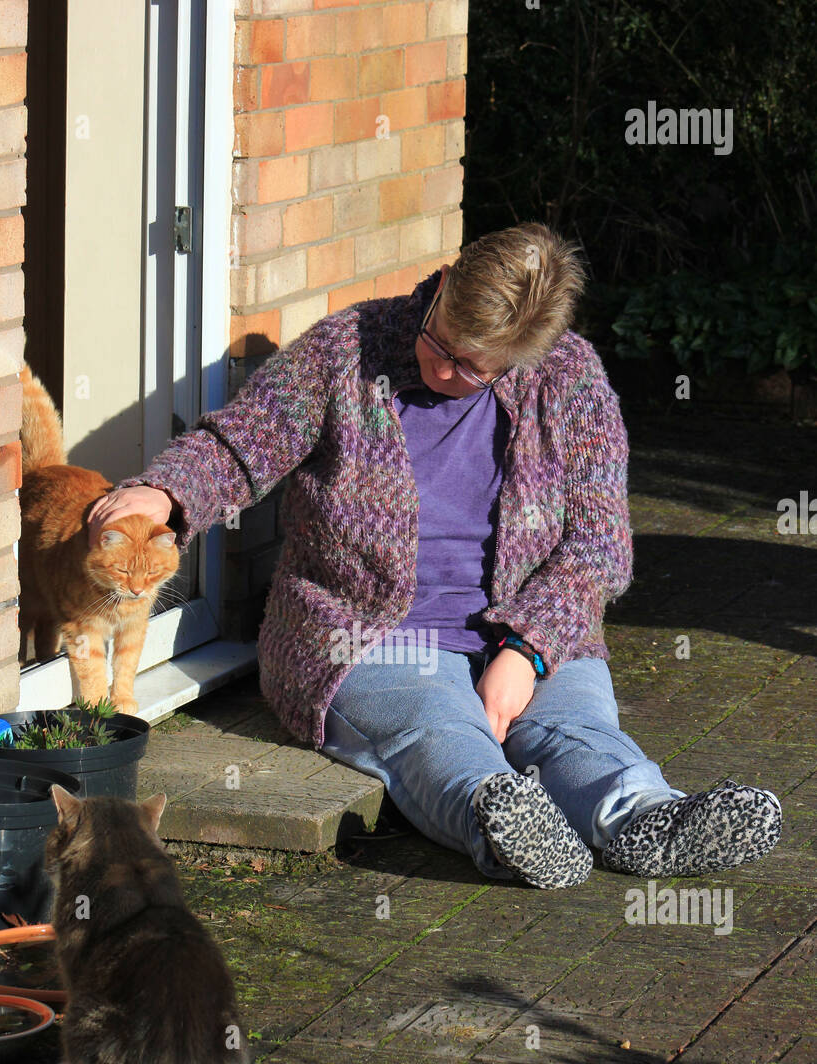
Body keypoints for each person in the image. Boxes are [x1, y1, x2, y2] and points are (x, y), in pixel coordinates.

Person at [88, 222, 782, 889]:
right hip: (364, 633)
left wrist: (528, 649)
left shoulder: (570, 377)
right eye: (441, 345)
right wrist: (162, 495)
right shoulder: (344, 350)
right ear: (445, 283)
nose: (445, 370)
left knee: (575, 731)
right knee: (434, 727)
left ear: (523, 358)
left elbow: (600, 546)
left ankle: (647, 820)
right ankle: (499, 822)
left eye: (473, 369)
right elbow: (241, 444)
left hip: (538, 630)